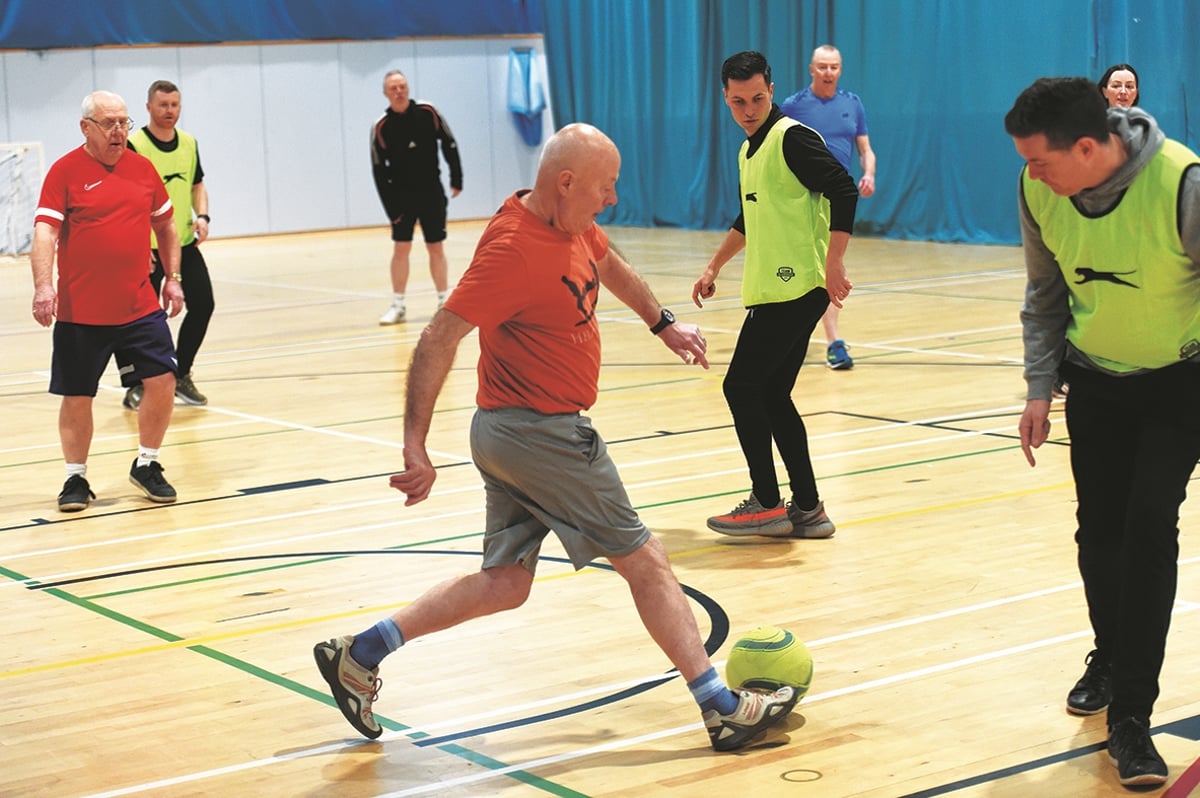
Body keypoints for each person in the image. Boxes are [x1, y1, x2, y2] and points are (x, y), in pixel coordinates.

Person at [313, 123, 797, 752]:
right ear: (566, 182)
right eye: (605, 186)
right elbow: (438, 337)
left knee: (505, 584)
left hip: (505, 432)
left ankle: (361, 653)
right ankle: (722, 708)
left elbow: (610, 262)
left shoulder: (566, 224)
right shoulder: (514, 247)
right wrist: (415, 444)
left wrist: (664, 325)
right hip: (543, 433)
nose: (612, 199)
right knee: (646, 561)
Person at [1005, 76, 1200, 789]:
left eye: (1040, 160)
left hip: (1181, 382)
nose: (1030, 174)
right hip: (1093, 379)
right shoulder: (1040, 194)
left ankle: (1133, 722)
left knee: (1151, 526)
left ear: (1088, 147)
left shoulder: (1184, 184)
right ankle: (1109, 656)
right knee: (1100, 531)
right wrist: (1037, 388)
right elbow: (1045, 294)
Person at [693, 51, 858, 539]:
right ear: (725, 98)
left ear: (772, 90)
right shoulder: (750, 151)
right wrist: (714, 264)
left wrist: (834, 261)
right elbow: (750, 217)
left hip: (797, 286)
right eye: (738, 100)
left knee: (740, 387)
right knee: (770, 392)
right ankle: (807, 508)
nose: (749, 108)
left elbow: (843, 190)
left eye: (758, 98)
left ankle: (767, 502)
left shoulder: (792, 138)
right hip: (773, 288)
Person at [31, 90, 185, 511]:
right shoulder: (64, 172)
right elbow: (44, 233)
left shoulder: (142, 169)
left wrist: (172, 279)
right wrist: (44, 287)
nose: (119, 131)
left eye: (124, 122)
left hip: (139, 307)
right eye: (109, 123)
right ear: (87, 127)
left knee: (163, 381)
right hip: (82, 312)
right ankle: (75, 479)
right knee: (78, 394)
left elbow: (168, 226)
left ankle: (147, 463)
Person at [118, 79, 214, 410]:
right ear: (148, 107)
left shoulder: (189, 143)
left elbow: (197, 184)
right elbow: (124, 197)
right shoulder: (134, 145)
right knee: (137, 316)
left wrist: (202, 216)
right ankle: (136, 384)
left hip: (182, 243)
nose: (169, 110)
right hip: (144, 247)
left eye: (174, 105)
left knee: (203, 305)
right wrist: (135, 240)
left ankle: (181, 374)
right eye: (162, 105)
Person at [779, 44, 876, 370]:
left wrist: (869, 174)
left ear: (840, 69)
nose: (828, 72)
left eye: (834, 66)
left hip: (838, 197)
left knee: (830, 267)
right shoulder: (793, 107)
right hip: (802, 198)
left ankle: (834, 341)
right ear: (811, 69)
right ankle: (793, 334)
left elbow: (865, 149)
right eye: (822, 66)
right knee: (803, 270)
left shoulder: (852, 104)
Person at [372, 70, 463, 325]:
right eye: (393, 88)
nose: (399, 91)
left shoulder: (428, 112)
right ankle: (398, 305)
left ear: (408, 88)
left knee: (436, 246)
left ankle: (445, 302)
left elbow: (449, 143)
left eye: (402, 86)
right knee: (402, 248)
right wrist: (391, 209)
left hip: (431, 192)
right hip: (402, 197)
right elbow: (378, 170)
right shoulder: (382, 126)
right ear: (386, 93)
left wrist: (457, 178)